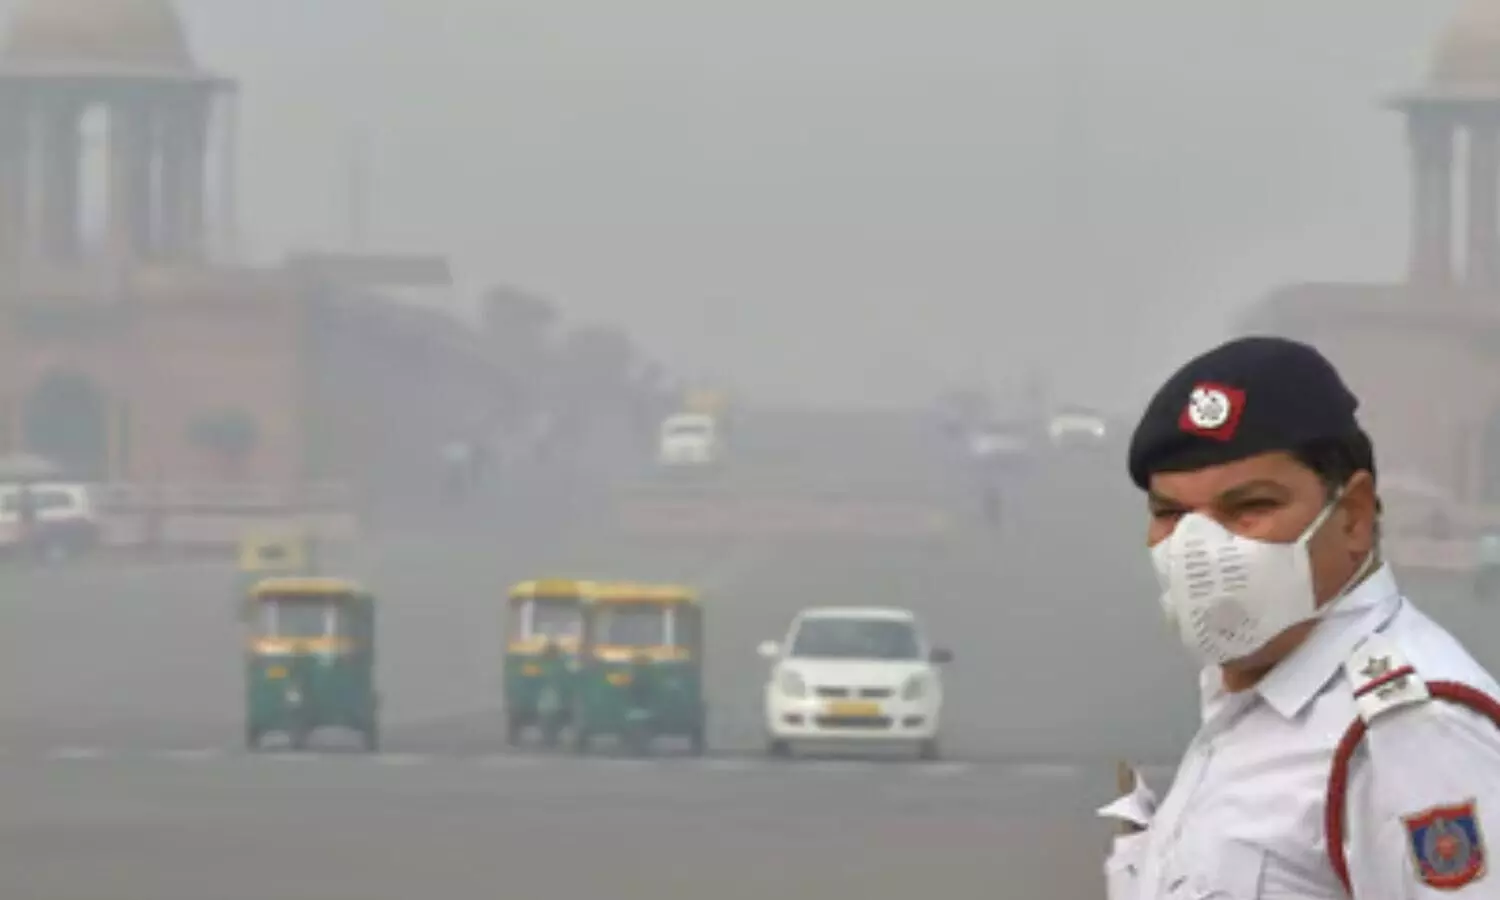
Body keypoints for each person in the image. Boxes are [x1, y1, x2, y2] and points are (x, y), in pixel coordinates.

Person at [1102, 335, 1500, 899]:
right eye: (1171, 514)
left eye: (1249, 508)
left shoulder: (1405, 731)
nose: (1198, 549)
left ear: (1354, 517)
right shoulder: (1251, 698)